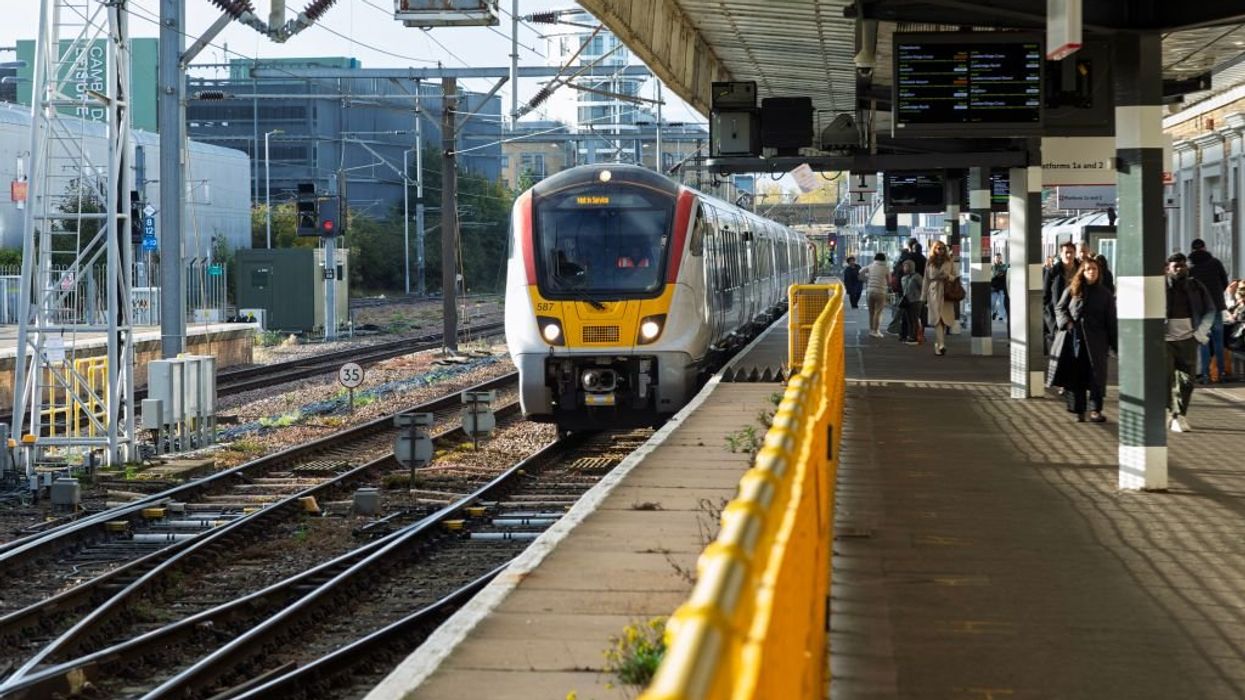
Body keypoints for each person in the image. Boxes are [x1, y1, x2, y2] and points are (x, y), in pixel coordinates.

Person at [1052, 259, 1117, 422]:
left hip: (1097, 341)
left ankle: (1096, 409)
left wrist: (1114, 344)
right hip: (1076, 339)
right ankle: (1078, 409)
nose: (1091, 272)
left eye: (1094, 269)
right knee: (1077, 376)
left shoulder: (1105, 294)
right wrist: (1067, 322)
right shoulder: (1073, 290)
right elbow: (1060, 307)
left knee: (1097, 377)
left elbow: (1111, 321)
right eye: (1088, 269)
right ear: (1082, 272)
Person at [1165, 253, 1217, 432]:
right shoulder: (1161, 286)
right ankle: (1170, 411)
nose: (1180, 269)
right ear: (1168, 269)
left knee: (1187, 380)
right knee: (1166, 377)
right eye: (1175, 266)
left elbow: (1210, 310)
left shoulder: (1196, 286)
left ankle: (1180, 415)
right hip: (1165, 341)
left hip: (1189, 339)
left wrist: (1199, 334)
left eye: (1182, 265)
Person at [1188, 238, 1230, 383]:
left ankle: (1205, 375)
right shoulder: (1215, 263)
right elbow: (1225, 282)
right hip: (1216, 306)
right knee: (1219, 341)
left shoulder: (1191, 267)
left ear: (1192, 249)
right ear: (1204, 248)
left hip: (1200, 309)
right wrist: (1217, 295)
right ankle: (1221, 373)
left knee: (1204, 341)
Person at [921, 241, 960, 356]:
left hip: (946, 291)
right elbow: (926, 279)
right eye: (939, 248)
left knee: (944, 319)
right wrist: (923, 297)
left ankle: (938, 344)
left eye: (943, 248)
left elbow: (955, 276)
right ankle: (941, 344)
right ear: (934, 249)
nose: (941, 251)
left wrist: (948, 276)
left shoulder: (949, 261)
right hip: (933, 291)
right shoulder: (929, 262)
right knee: (936, 318)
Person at [1043, 242, 1078, 354]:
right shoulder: (1052, 273)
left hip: (1077, 316)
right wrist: (1051, 321)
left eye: (1071, 252)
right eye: (1066, 252)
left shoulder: (1081, 271)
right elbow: (1045, 297)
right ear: (1061, 254)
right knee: (1061, 352)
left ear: (1075, 253)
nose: (1069, 255)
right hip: (1058, 318)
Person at [859, 252, 890, 338]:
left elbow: (860, 272)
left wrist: (865, 279)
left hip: (870, 291)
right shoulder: (886, 268)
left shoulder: (870, 266)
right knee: (878, 312)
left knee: (871, 312)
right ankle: (876, 330)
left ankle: (871, 330)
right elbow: (889, 281)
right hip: (881, 291)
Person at [899, 259, 922, 345]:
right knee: (908, 319)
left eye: (906, 266)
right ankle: (910, 335)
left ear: (911, 266)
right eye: (904, 266)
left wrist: (922, 298)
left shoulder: (917, 277)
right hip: (907, 301)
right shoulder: (903, 278)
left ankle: (914, 337)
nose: (904, 268)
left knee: (914, 319)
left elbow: (922, 287)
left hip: (916, 300)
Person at [990, 253, 1008, 322]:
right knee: (992, 302)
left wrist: (999, 274)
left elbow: (1003, 273)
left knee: (1002, 303)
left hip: (1002, 287)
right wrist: (997, 274)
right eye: (997, 258)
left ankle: (1001, 316)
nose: (998, 259)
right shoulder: (991, 267)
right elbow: (992, 275)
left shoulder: (1004, 266)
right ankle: (994, 312)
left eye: (999, 258)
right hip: (994, 288)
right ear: (994, 259)